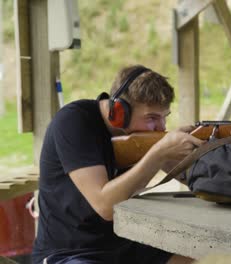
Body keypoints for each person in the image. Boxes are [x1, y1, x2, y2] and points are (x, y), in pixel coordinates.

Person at [32, 65, 208, 264]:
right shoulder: (73, 121)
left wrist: (207, 154)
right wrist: (158, 153)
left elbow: (189, 176)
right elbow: (105, 206)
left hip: (121, 245)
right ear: (118, 112)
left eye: (164, 118)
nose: (161, 127)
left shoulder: (138, 138)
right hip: (70, 253)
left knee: (195, 255)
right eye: (151, 118)